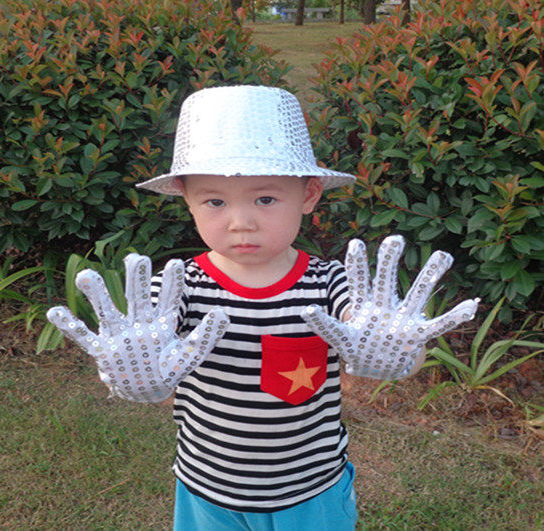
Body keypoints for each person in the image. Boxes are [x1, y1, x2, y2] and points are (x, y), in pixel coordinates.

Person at [48, 86, 479, 530]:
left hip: (310, 490)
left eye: (266, 199)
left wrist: (398, 352)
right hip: (206, 489)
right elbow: (142, 353)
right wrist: (133, 378)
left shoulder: (330, 283)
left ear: (309, 195)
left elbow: (377, 332)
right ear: (186, 198)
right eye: (215, 201)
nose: (242, 222)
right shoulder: (177, 288)